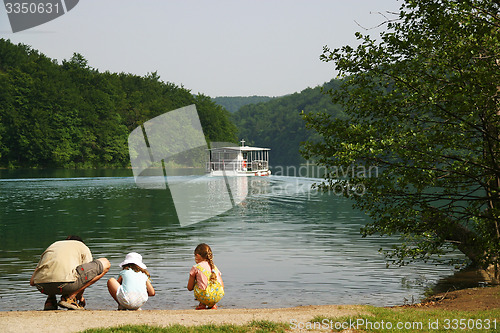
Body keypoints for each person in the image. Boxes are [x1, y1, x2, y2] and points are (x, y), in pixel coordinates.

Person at [30, 235, 110, 310]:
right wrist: (79, 297)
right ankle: (70, 298)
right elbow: (87, 276)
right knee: (106, 263)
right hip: (65, 285)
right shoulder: (82, 246)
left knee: (54, 271)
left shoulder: (54, 245)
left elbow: (32, 282)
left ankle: (50, 301)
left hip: (42, 287)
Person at [187, 243, 224, 310]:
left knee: (198, 283)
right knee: (211, 285)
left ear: (197, 256)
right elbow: (222, 286)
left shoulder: (196, 267)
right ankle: (213, 304)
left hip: (205, 296)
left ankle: (202, 304)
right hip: (218, 296)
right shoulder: (214, 267)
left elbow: (189, 288)